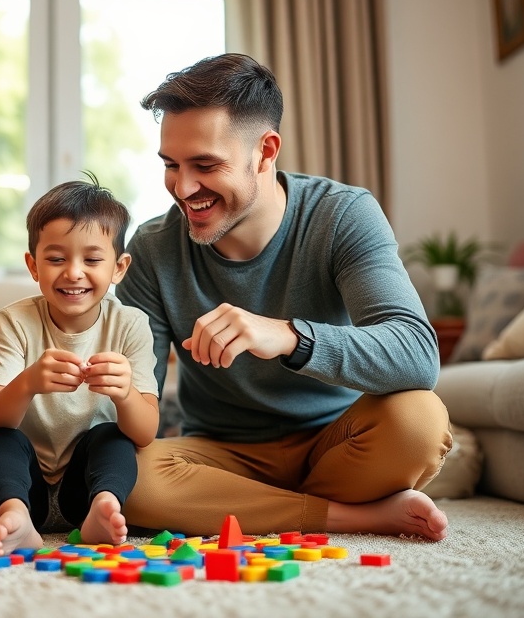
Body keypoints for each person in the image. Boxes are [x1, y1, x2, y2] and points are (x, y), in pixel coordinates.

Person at [115, 53, 452, 542]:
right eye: (171, 165)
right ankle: (354, 515)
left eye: (205, 165)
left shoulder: (343, 215)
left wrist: (289, 336)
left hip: (339, 444)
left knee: (419, 420)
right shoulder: (152, 248)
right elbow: (136, 393)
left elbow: (417, 355)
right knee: (129, 476)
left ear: (266, 151)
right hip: (223, 456)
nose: (183, 188)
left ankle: (265, 512)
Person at [0, 177, 160, 556]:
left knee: (112, 435)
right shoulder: (15, 320)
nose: (73, 272)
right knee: (2, 440)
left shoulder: (130, 324)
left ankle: (105, 507)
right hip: (25, 484)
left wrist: (125, 395)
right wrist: (27, 383)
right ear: (33, 265)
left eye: (92, 260)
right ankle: (14, 517)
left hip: (87, 484)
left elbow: (145, 432)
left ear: (119, 267)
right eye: (56, 259)